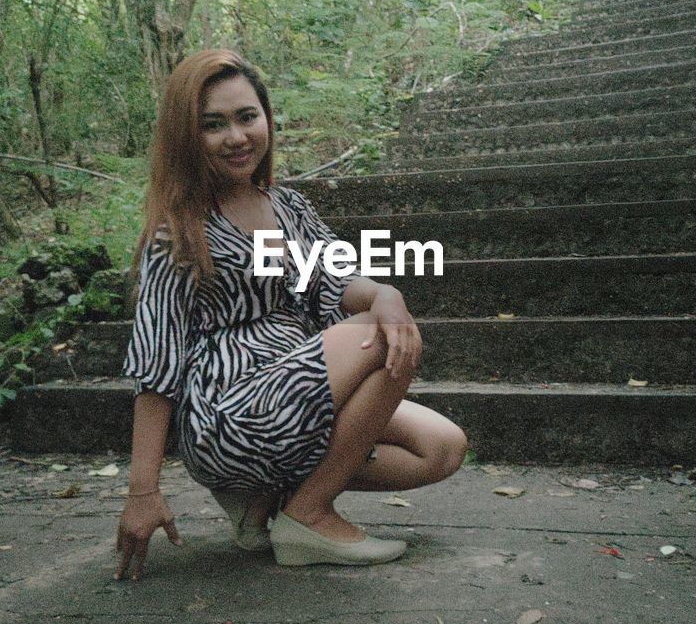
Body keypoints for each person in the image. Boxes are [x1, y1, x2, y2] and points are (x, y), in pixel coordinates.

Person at [114, 49, 467, 580]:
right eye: (213, 125)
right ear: (186, 136)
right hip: (227, 413)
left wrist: (384, 292)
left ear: (267, 120)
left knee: (442, 447)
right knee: (380, 333)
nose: (236, 137)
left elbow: (334, 279)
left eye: (246, 117)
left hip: (296, 392)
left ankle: (267, 501)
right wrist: (144, 490)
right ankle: (306, 515)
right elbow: (156, 363)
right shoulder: (178, 232)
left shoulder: (289, 208)